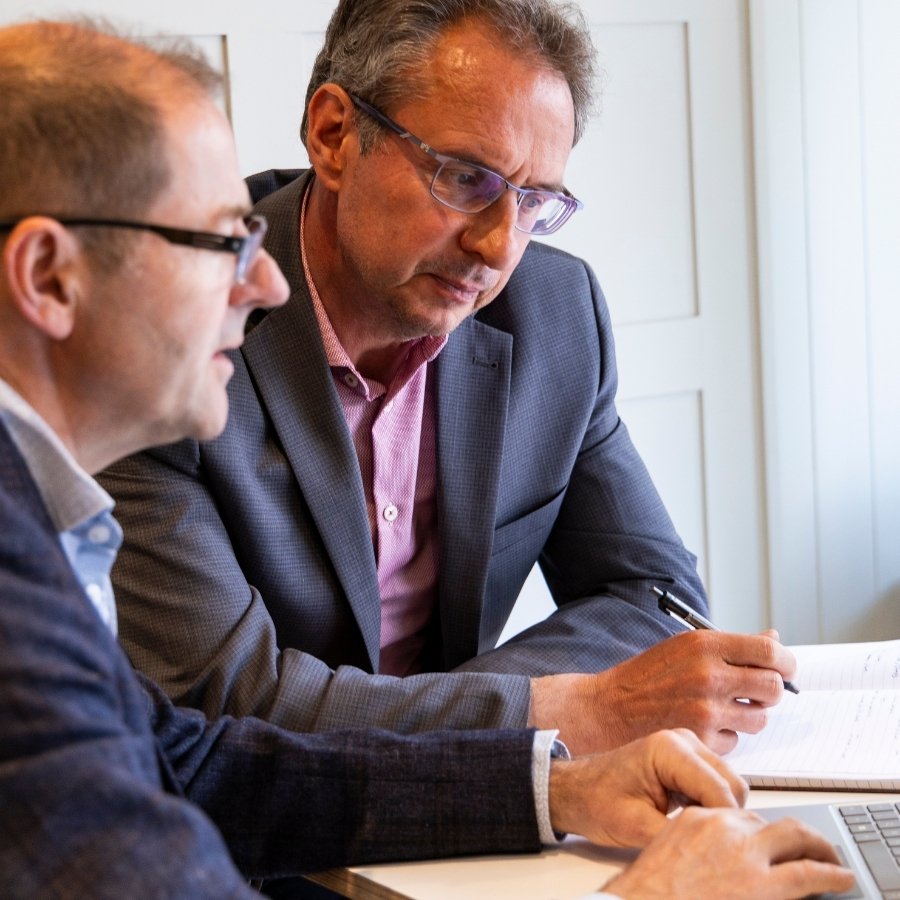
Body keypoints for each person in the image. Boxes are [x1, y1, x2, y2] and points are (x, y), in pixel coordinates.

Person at [0, 17, 856, 900]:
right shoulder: (33, 560)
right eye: (223, 244)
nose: (260, 286)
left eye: (532, 201)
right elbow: (221, 718)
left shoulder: (41, 523)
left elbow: (192, 761)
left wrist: (549, 786)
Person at [100, 0, 797, 757]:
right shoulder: (171, 329)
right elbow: (228, 701)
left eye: (535, 200)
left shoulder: (556, 315)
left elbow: (653, 598)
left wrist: (481, 723)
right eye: (467, 178)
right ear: (334, 136)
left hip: (485, 817)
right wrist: (563, 712)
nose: (500, 246)